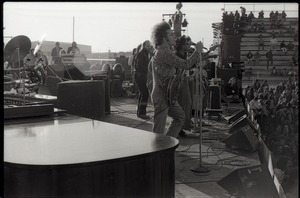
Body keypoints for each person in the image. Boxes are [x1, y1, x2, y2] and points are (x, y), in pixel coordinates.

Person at [149, 21, 202, 138]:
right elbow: (186, 64)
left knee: (180, 117)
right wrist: (197, 51)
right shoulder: (164, 52)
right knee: (158, 129)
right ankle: (158, 151)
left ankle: (167, 143)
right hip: (162, 95)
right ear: (164, 38)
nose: (175, 37)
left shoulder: (163, 51)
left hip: (167, 94)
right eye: (171, 34)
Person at [174, 35, 194, 137]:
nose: (188, 45)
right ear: (181, 45)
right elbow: (184, 65)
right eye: (186, 44)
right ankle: (178, 129)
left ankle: (181, 127)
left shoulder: (184, 54)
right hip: (179, 82)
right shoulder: (177, 55)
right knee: (182, 104)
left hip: (184, 80)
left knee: (187, 104)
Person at [134, 40, 152, 119]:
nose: (149, 47)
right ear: (144, 46)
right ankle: (142, 112)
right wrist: (148, 70)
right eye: (147, 46)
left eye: (149, 45)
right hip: (139, 75)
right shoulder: (141, 54)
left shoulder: (145, 54)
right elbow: (140, 65)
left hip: (140, 75)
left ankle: (140, 111)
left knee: (143, 93)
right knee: (145, 93)